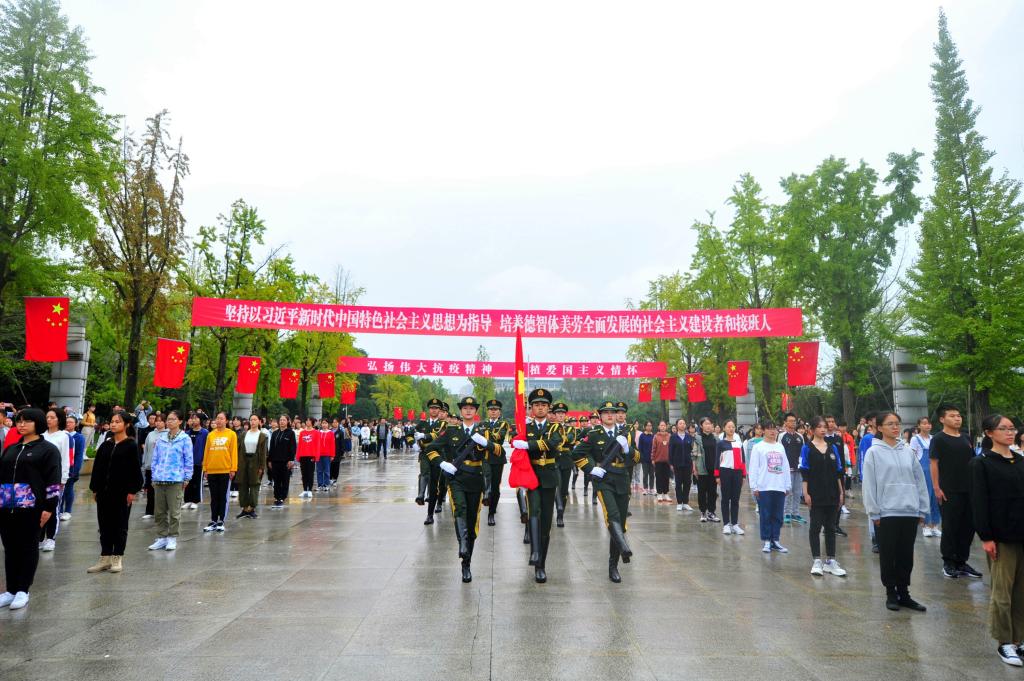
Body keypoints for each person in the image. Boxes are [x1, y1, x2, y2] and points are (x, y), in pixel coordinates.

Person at [422, 396, 501, 582]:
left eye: (471, 408)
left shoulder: (483, 431)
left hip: (476, 479)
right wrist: (442, 463)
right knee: (459, 509)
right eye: (465, 408)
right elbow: (430, 449)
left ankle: (467, 563)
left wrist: (486, 443)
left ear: (476, 412)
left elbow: (499, 451)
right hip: (456, 478)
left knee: (472, 523)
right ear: (461, 411)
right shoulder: (451, 431)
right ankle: (462, 546)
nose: (468, 411)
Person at [970, 415, 1024, 666]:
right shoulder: (981, 463)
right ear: (989, 433)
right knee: (1002, 592)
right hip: (1001, 537)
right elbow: (979, 502)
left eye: (1012, 428)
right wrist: (986, 536)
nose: (1009, 432)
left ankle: (1019, 638)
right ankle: (1005, 642)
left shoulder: (1020, 461)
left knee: (1021, 592)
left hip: (1021, 533)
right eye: (1003, 428)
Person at [863, 411, 929, 612]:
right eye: (890, 424)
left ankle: (904, 593)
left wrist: (922, 509)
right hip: (886, 513)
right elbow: (869, 484)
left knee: (906, 555)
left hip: (909, 511)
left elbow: (919, 480)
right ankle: (891, 593)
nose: (895, 427)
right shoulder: (873, 452)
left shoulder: (907, 451)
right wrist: (874, 512)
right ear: (879, 428)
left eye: (897, 423)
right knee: (888, 554)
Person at [0, 408, 61, 609]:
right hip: (6, 505)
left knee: (27, 547)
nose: (21, 424)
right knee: (10, 548)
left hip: (32, 507)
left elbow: (53, 481)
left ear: (38, 423)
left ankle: (22, 590)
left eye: (27, 421)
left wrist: (49, 507)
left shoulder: (48, 450)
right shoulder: (12, 449)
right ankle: (10, 589)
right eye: (19, 420)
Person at [572, 400, 635, 583]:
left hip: (622, 479)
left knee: (620, 522)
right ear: (600, 416)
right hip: (604, 480)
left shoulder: (626, 434)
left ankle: (613, 564)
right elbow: (576, 454)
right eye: (606, 412)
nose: (610, 415)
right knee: (612, 516)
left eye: (612, 412)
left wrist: (627, 448)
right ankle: (623, 550)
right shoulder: (593, 434)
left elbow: (637, 457)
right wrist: (591, 468)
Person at [511, 388, 565, 583]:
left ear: (549, 408)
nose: (540, 408)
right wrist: (518, 437)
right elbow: (513, 440)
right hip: (531, 475)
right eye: (536, 405)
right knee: (534, 511)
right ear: (531, 408)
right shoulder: (525, 427)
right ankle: (535, 553)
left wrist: (529, 445)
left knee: (546, 522)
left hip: (549, 476)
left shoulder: (556, 427)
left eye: (543, 405)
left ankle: (541, 563)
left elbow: (553, 443)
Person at [87, 411, 143, 574]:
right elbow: (97, 468)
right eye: (112, 421)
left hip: (122, 493)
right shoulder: (106, 445)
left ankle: (117, 557)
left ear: (127, 425)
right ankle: (105, 557)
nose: (113, 424)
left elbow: (135, 470)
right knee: (104, 525)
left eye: (117, 422)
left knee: (120, 525)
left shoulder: (131, 445)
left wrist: (132, 490)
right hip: (104, 492)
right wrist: (95, 488)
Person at [930, 405, 982, 579]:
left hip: (969, 488)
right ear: (942, 419)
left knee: (968, 526)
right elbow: (934, 463)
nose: (957, 418)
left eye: (958, 415)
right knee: (951, 526)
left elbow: (973, 461)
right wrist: (937, 488)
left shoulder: (966, 437)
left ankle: (961, 561)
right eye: (952, 416)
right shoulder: (939, 439)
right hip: (949, 490)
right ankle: (949, 562)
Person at [800, 416, 847, 577]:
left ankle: (831, 561)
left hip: (833, 493)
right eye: (819, 427)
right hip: (815, 493)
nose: (823, 429)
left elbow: (838, 472)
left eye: (824, 427)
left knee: (831, 527)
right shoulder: (807, 448)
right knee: (815, 527)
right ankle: (817, 560)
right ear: (812, 430)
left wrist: (841, 492)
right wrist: (806, 493)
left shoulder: (832, 448)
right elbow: (805, 472)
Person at [147, 411, 192, 551]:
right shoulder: (161, 438)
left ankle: (172, 537)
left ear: (180, 421)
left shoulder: (185, 439)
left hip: (176, 480)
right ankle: (162, 537)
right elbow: (155, 458)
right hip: (160, 479)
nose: (169, 421)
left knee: (174, 512)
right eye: (168, 419)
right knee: (159, 512)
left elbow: (188, 459)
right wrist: (154, 476)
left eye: (173, 419)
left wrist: (187, 477)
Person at [748, 420, 791, 553]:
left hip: (779, 486)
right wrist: (754, 486)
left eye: (774, 429)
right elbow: (753, 467)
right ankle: (767, 540)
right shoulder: (758, 447)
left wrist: (787, 485)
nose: (773, 431)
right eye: (769, 429)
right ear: (763, 431)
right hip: (764, 486)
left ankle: (775, 539)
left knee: (778, 515)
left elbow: (785, 466)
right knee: (765, 514)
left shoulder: (780, 447)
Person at [39, 408, 70, 552]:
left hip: (55, 479)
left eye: (52, 417)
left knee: (52, 508)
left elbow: (65, 458)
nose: (49, 420)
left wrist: (63, 479)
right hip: (40, 479)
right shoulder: (41, 435)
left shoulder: (63, 436)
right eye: (47, 417)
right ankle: (39, 538)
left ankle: (51, 538)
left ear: (59, 419)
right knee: (39, 508)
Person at [202, 412, 237, 532]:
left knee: (222, 497)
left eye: (221, 418)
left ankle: (221, 520)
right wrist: (205, 468)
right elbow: (206, 452)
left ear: (226, 421)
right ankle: (213, 520)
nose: (219, 420)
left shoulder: (231, 434)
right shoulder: (210, 435)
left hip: (225, 470)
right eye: (217, 418)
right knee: (214, 497)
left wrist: (233, 469)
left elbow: (233, 452)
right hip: (211, 470)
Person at [909, 417, 941, 538]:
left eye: (929, 423)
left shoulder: (934, 438)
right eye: (924, 423)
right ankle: (925, 525)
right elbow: (912, 456)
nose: (927, 425)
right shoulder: (915, 439)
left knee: (936, 497)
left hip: (935, 470)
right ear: (919, 426)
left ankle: (935, 525)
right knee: (925, 497)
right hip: (923, 471)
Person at [483, 399, 512, 526]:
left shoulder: (503, 424)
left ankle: (491, 512)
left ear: (499, 412)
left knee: (495, 487)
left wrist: (484, 436)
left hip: (497, 458)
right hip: (484, 457)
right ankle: (486, 495)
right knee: (486, 478)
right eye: (491, 409)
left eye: (496, 410)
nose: (493, 412)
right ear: (488, 411)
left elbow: (498, 438)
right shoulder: (482, 423)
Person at [716, 420, 746, 535]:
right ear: (724, 428)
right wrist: (717, 475)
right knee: (725, 499)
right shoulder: (721, 443)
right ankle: (726, 524)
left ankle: (735, 524)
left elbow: (743, 460)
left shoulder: (739, 444)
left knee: (735, 499)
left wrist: (743, 475)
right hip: (725, 472)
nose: (731, 429)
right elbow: (716, 460)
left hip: (737, 473)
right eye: (728, 427)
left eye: (733, 427)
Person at [551, 402, 577, 528]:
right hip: (554, 460)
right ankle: (554, 510)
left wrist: (557, 438)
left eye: (562, 413)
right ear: (554, 415)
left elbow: (570, 439)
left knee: (564, 490)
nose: (560, 415)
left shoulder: (570, 428)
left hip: (566, 460)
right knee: (555, 487)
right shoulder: (550, 428)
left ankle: (560, 515)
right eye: (558, 413)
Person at [236, 414, 267, 519]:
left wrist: (262, 467)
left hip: (255, 461)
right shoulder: (243, 434)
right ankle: (244, 508)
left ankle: (251, 508)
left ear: (259, 421)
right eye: (251, 420)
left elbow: (263, 453)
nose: (253, 422)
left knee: (254, 484)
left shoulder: (262, 436)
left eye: (255, 419)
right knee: (242, 484)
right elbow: (238, 449)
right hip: (243, 461)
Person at [140, 413, 166, 520]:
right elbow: (146, 449)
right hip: (150, 466)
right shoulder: (150, 434)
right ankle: (149, 511)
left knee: (162, 491)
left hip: (163, 467)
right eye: (157, 421)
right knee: (150, 489)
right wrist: (145, 463)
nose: (158, 423)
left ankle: (161, 511)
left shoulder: (168, 434)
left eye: (160, 421)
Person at [59, 415, 85, 522]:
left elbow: (79, 455)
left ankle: (67, 511)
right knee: (59, 490)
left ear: (76, 424)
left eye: (70, 422)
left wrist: (75, 470)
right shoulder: (61, 435)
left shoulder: (79, 437)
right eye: (66, 421)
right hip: (59, 467)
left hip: (71, 468)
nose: (68, 424)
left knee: (68, 489)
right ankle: (59, 510)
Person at [693, 418, 719, 522]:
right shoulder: (697, 439)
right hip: (702, 469)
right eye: (706, 424)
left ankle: (711, 512)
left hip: (714, 469)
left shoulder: (716, 439)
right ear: (701, 426)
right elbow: (694, 455)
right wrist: (694, 468)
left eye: (710, 423)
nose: (708, 425)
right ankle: (703, 512)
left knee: (713, 492)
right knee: (702, 491)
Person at [781, 413, 805, 524]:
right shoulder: (782, 436)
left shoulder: (800, 436)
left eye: (794, 421)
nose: (793, 423)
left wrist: (802, 465)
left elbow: (803, 453)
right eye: (790, 421)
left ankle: (796, 513)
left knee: (797, 492)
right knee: (788, 491)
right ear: (785, 422)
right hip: (786, 469)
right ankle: (786, 513)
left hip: (798, 468)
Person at [268, 414, 296, 508]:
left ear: (287, 421)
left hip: (285, 461)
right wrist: (269, 460)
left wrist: (291, 460)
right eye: (280, 420)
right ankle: (277, 497)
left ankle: (282, 498)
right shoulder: (275, 433)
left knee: (284, 480)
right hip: (275, 460)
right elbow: (271, 448)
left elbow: (292, 447)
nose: (282, 422)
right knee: (276, 480)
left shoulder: (290, 433)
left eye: (284, 420)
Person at [182, 413, 207, 510]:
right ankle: (187, 500)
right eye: (192, 418)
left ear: (200, 420)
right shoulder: (187, 433)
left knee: (197, 481)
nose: (193, 420)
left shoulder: (205, 433)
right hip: (188, 462)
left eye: (196, 418)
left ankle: (195, 501)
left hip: (199, 461)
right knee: (188, 481)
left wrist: (204, 459)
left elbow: (206, 447)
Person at [669, 418, 693, 511]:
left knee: (687, 483)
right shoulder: (673, 437)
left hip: (688, 464)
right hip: (677, 464)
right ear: (677, 425)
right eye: (680, 423)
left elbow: (692, 450)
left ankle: (685, 502)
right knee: (678, 483)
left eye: (684, 423)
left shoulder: (689, 437)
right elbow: (670, 451)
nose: (682, 425)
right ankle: (679, 502)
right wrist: (671, 463)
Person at [296, 417, 319, 499]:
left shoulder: (316, 432)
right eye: (307, 420)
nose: (307, 422)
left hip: (311, 455)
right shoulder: (302, 432)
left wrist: (316, 456)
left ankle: (310, 490)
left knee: (310, 473)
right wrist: (298, 455)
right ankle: (305, 489)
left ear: (312, 422)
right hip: (303, 455)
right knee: (304, 473)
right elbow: (299, 445)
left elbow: (317, 445)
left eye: (309, 421)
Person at [316, 419, 334, 490]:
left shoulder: (331, 433)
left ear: (328, 424)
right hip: (319, 454)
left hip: (327, 455)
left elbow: (332, 445)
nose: (324, 425)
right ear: (321, 424)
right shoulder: (318, 433)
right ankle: (320, 485)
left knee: (326, 470)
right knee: (319, 470)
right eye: (323, 423)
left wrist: (332, 455)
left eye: (326, 423)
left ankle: (326, 484)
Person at [638, 422, 654, 495]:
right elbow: (640, 448)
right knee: (645, 474)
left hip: (652, 459)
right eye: (647, 425)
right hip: (644, 458)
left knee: (652, 474)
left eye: (650, 426)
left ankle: (651, 488)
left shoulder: (653, 436)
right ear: (645, 427)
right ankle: (645, 488)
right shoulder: (642, 436)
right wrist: (641, 457)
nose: (649, 427)